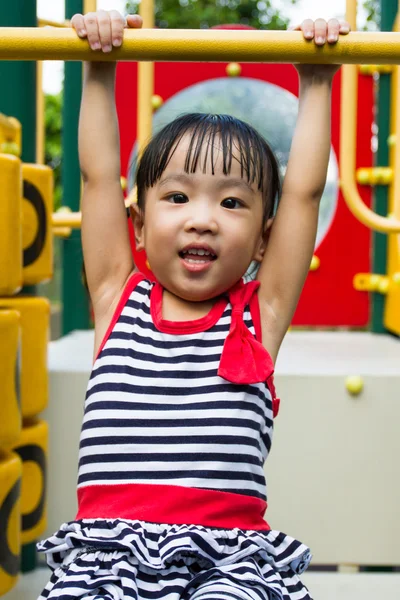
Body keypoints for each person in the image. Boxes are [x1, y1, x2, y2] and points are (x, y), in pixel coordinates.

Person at [37, 10, 350, 600]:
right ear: (138, 220)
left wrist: (316, 80)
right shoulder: (116, 297)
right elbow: (98, 178)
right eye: (177, 197)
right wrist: (98, 68)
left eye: (233, 203)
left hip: (227, 560)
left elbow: (305, 194)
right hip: (108, 557)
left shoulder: (260, 314)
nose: (202, 219)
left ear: (264, 237)